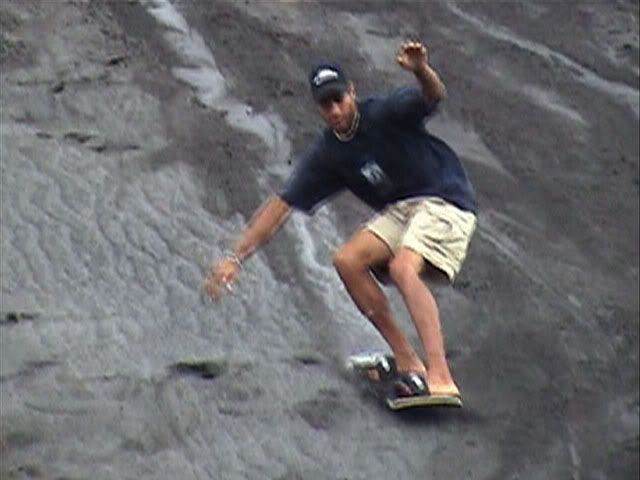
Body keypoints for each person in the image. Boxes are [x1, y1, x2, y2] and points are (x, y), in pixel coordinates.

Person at [204, 41, 477, 405]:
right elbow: (282, 205)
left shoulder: (384, 112)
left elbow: (433, 97)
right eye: (325, 104)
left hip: (445, 199)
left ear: (352, 92)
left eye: (339, 99)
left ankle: (441, 378)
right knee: (347, 260)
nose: (334, 110)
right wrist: (235, 259)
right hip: (403, 210)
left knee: (403, 267)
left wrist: (420, 70)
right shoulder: (329, 153)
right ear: (317, 107)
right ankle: (409, 362)